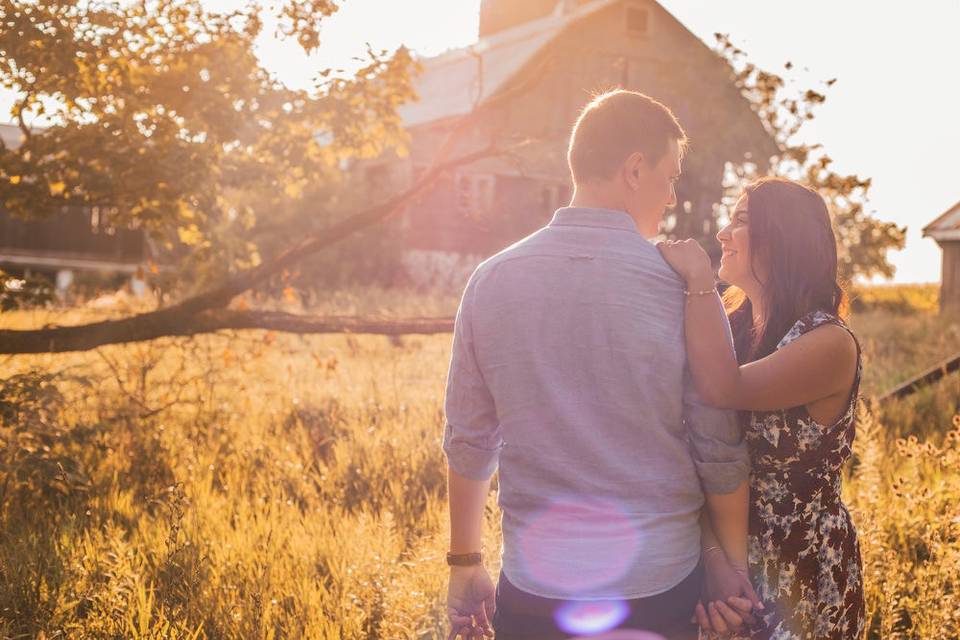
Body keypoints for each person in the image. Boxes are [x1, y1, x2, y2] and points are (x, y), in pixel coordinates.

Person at [442, 89, 759, 640]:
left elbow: (469, 439)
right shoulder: (682, 288)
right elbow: (717, 444)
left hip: (535, 586)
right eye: (670, 177)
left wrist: (465, 561)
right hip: (659, 584)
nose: (672, 197)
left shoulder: (490, 280)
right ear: (634, 169)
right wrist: (729, 564)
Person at [658, 177, 865, 639]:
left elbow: (722, 389)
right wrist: (714, 563)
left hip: (803, 574)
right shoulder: (729, 329)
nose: (722, 233)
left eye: (741, 220)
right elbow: (688, 451)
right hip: (720, 569)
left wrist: (698, 280)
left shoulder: (829, 343)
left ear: (781, 238)